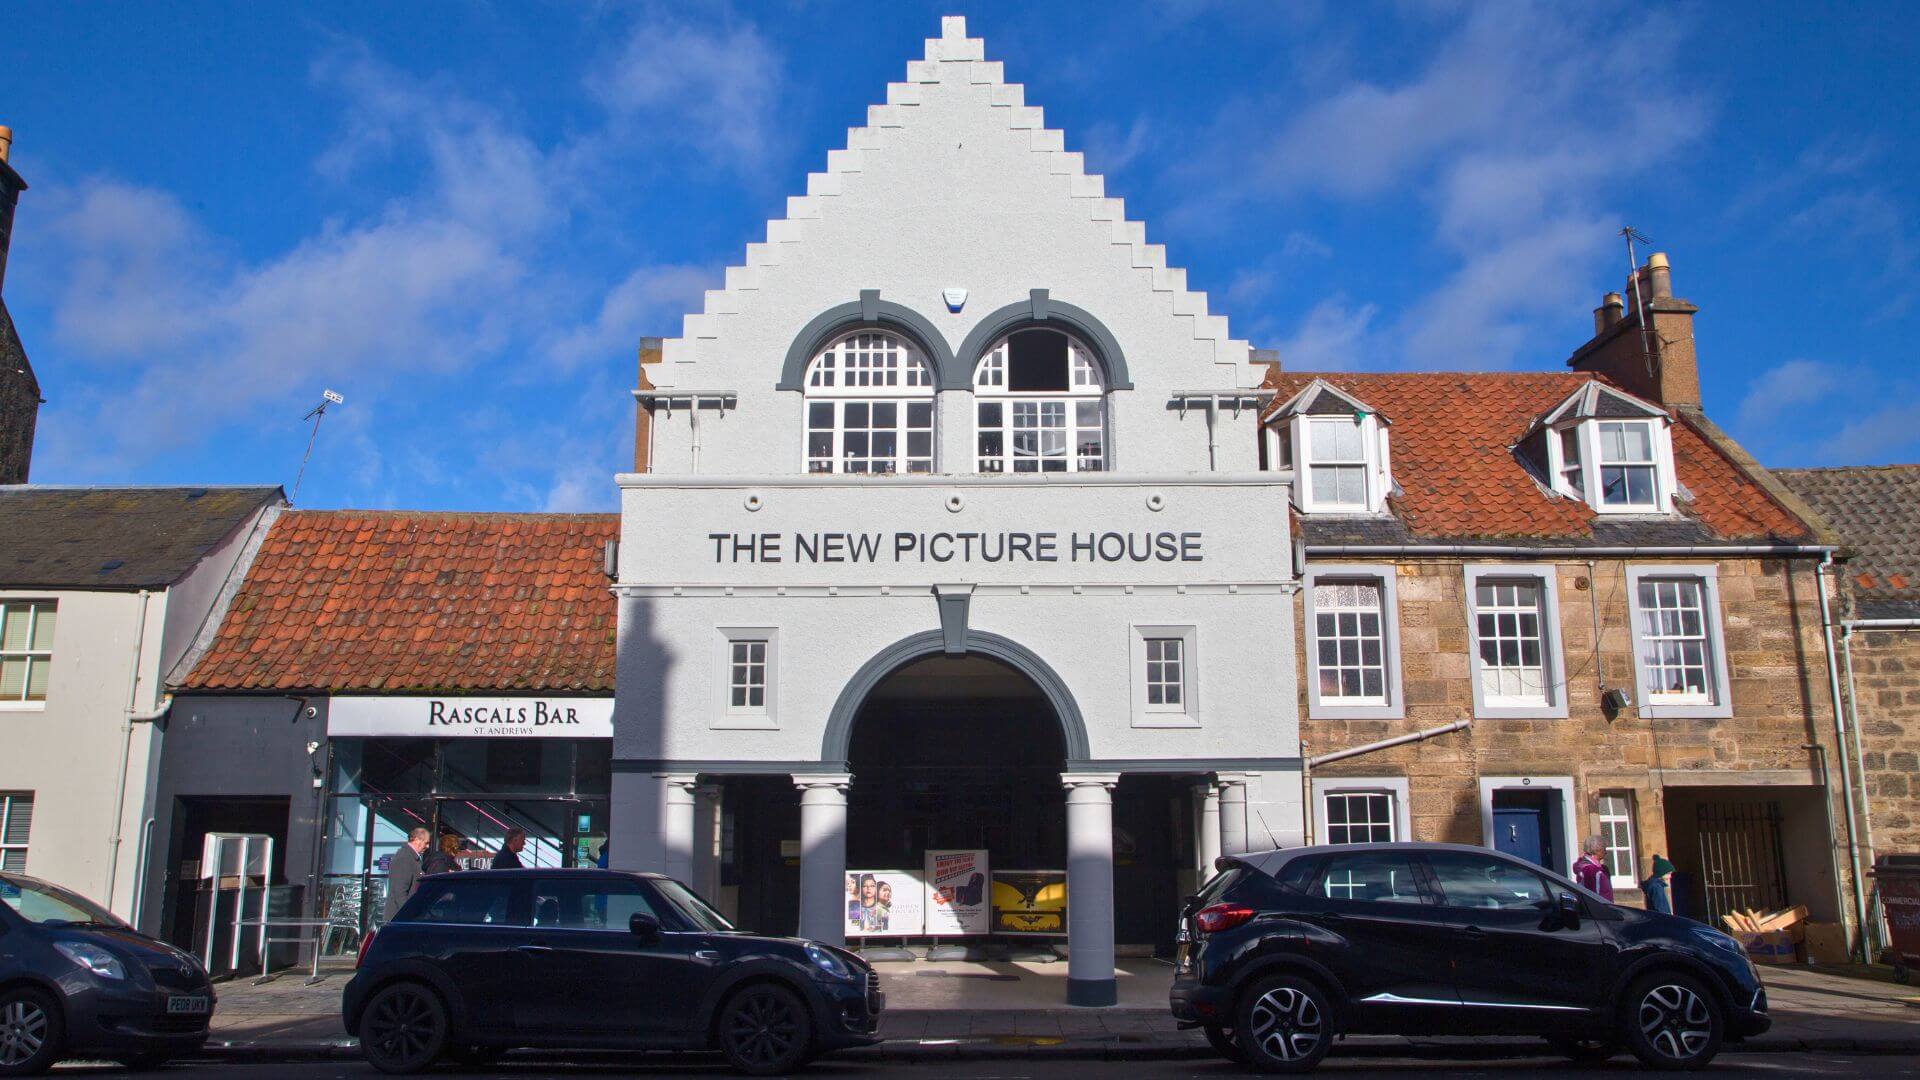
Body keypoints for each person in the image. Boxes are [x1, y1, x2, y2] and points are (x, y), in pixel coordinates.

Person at [383, 827, 430, 921]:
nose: (428, 846)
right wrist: (408, 914)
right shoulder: (405, 858)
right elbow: (399, 892)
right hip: (400, 918)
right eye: (426, 843)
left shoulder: (411, 857)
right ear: (417, 840)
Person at [1572, 834, 1615, 902]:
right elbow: (1593, 897)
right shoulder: (1590, 870)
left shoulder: (1596, 868)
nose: (1606, 852)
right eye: (1604, 848)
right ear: (1597, 849)